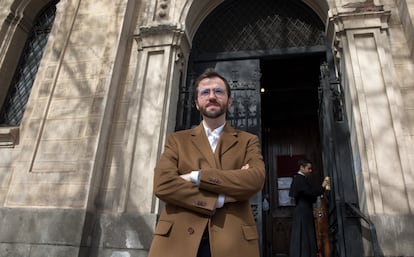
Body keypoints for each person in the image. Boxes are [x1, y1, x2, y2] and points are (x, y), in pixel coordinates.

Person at [148, 68, 266, 257]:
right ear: (196, 103)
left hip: (232, 241)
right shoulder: (177, 140)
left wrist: (196, 176)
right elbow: (162, 184)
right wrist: (220, 199)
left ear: (229, 101)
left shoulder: (247, 141)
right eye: (205, 92)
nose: (212, 96)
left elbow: (255, 180)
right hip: (178, 241)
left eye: (218, 91)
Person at [289, 159, 329, 257]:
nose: (310, 170)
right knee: (304, 237)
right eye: (308, 168)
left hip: (303, 210)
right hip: (303, 211)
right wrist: (322, 187)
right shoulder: (299, 179)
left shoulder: (300, 178)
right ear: (302, 168)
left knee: (304, 236)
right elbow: (310, 192)